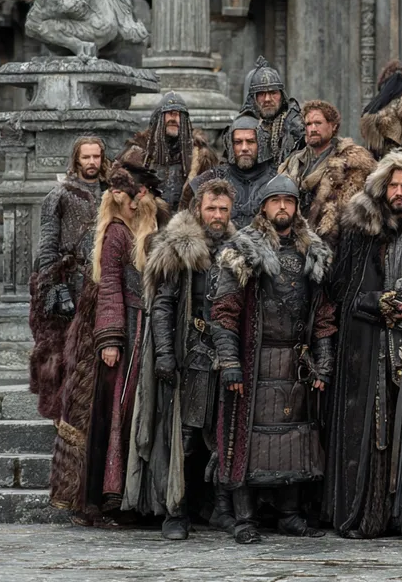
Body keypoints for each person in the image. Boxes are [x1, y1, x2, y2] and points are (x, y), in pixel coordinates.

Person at [324, 150, 402, 539]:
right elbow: (342, 288)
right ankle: (369, 514)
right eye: (393, 184)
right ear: (383, 187)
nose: (399, 192)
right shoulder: (360, 227)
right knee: (371, 429)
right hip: (368, 345)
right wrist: (373, 301)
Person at [211, 175, 334, 544]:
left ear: (297, 206)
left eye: (289, 200)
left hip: (296, 360)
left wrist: (323, 362)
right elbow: (224, 311)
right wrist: (230, 361)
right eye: (276, 200)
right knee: (248, 438)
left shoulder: (312, 251)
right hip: (254, 359)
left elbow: (324, 313)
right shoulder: (243, 248)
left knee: (294, 437)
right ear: (264, 206)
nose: (283, 206)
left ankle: (289, 514)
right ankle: (245, 518)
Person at [50, 162, 165, 526]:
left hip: (149, 328)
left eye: (125, 192)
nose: (119, 198)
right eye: (114, 192)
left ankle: (137, 498)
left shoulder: (152, 227)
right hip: (124, 332)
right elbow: (111, 286)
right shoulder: (116, 232)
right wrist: (112, 339)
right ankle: (109, 499)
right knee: (115, 413)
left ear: (141, 195)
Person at [124, 179, 236, 540]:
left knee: (222, 436)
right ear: (198, 209)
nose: (217, 216)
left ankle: (220, 509)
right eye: (211, 208)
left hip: (226, 356)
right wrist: (166, 355)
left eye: (223, 209)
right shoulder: (179, 247)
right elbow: (162, 303)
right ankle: (177, 510)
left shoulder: (237, 249)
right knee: (183, 438)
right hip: (190, 355)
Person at [29, 136, 107, 421]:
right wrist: (52, 288)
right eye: (86, 157)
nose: (91, 163)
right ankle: (66, 417)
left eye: (96, 157)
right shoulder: (59, 195)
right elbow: (47, 247)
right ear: (76, 159)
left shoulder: (111, 193)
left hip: (101, 285)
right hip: (69, 286)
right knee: (64, 356)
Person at [277, 99, 377, 246]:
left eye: (318, 123)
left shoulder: (352, 161)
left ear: (333, 126)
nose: (313, 128)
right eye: (308, 124)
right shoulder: (294, 162)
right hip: (295, 240)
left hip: (336, 242)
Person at [122, 91, 218, 207]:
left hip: (186, 221)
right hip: (149, 220)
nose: (174, 118)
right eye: (170, 113)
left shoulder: (201, 156)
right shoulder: (139, 152)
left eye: (178, 114)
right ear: (159, 117)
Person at [185, 114, 278, 228]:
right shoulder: (210, 179)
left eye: (250, 141)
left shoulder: (277, 180)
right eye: (238, 142)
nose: (244, 148)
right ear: (231, 145)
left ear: (261, 144)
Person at [241, 56, 305, 165]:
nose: (267, 99)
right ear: (254, 98)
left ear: (281, 95)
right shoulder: (248, 127)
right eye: (261, 94)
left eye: (273, 93)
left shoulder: (295, 126)